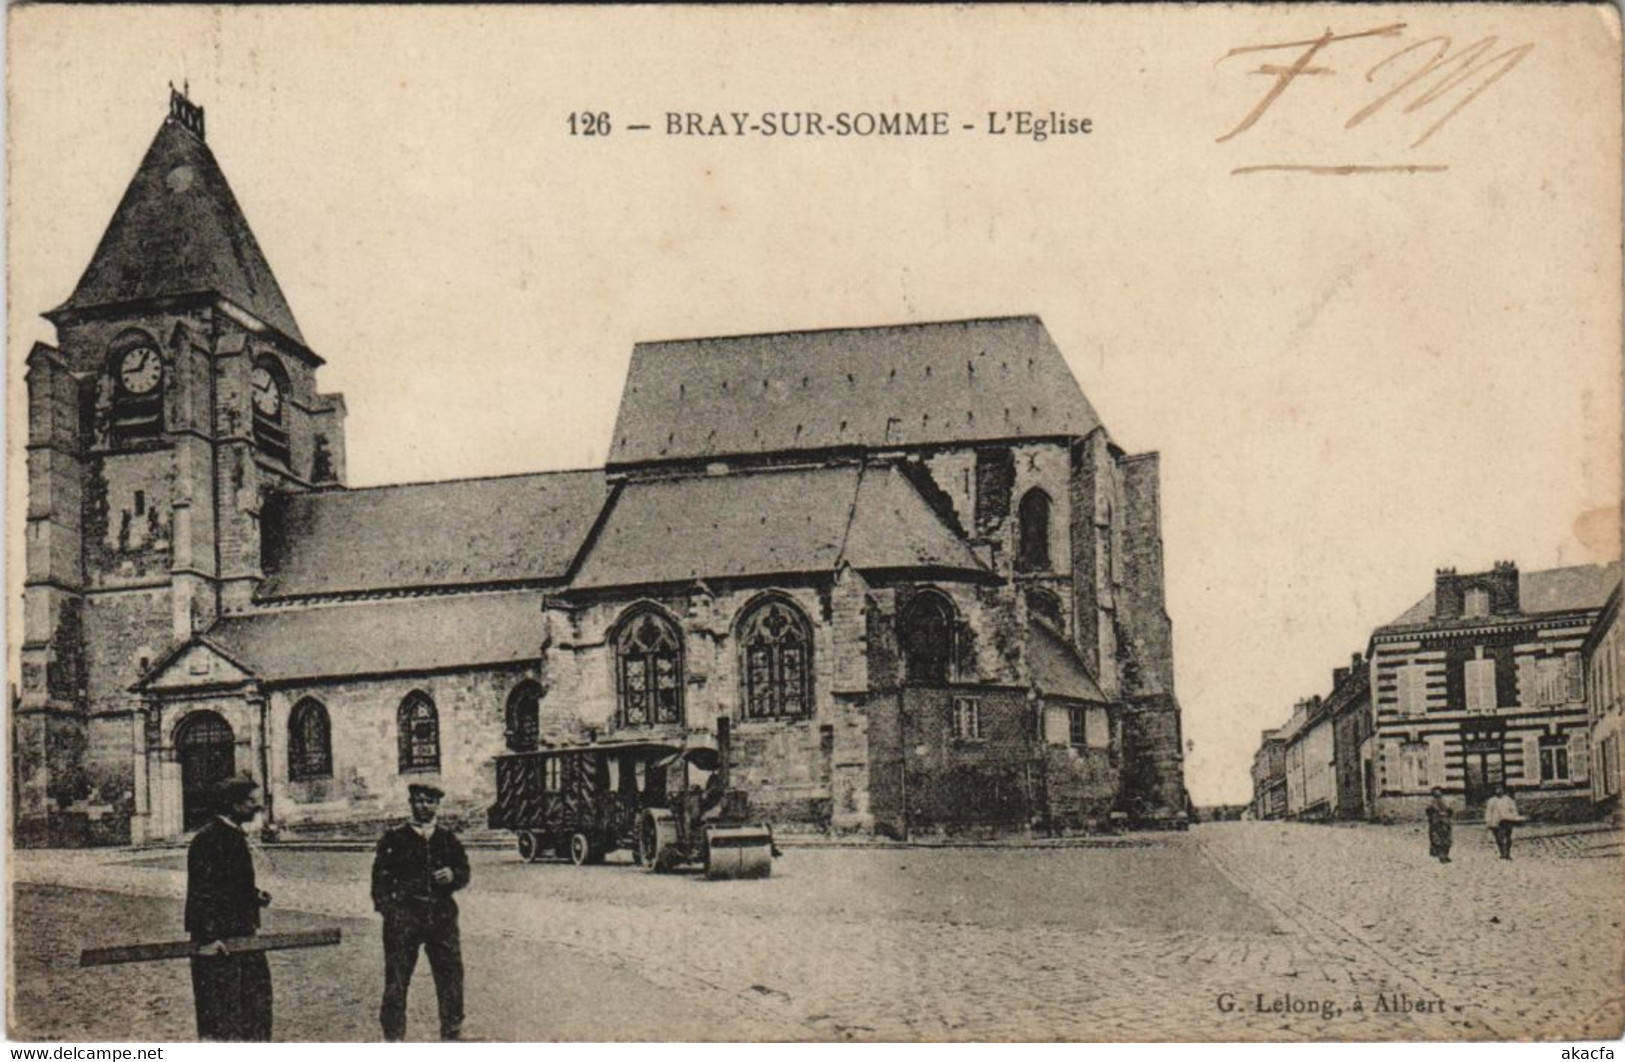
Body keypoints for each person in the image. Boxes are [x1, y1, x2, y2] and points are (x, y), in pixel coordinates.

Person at [372, 784, 470, 1041]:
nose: (424, 806)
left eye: (430, 802)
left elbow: (464, 872)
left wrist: (453, 876)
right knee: (397, 978)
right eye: (419, 801)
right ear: (411, 803)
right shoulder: (394, 839)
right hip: (404, 919)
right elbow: (379, 883)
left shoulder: (448, 839)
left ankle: (451, 1032)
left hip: (441, 917)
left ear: (438, 806)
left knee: (450, 975)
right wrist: (391, 912)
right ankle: (393, 1037)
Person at [185, 777, 273, 1041]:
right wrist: (208, 939)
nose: (257, 807)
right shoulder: (208, 839)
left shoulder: (234, 835)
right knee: (224, 1015)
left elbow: (230, 885)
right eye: (250, 802)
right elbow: (200, 892)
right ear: (232, 804)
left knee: (255, 1007)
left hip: (244, 934)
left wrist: (255, 896)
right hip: (219, 943)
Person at [1484, 784, 1521, 860]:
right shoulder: (1492, 801)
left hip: (1507, 821)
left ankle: (1507, 853)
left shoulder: (1508, 800)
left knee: (1507, 837)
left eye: (1500, 789)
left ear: (1503, 790)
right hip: (1495, 822)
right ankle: (1502, 852)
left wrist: (1514, 818)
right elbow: (1488, 812)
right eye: (1497, 789)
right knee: (1498, 838)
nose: (1498, 790)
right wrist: (1488, 821)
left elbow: (1514, 810)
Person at [1424, 787, 1453, 863]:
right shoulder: (1431, 803)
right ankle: (1441, 856)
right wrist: (1435, 816)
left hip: (1446, 823)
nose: (1438, 795)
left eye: (1439, 793)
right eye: (1436, 793)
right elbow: (1428, 812)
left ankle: (1446, 855)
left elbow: (1450, 811)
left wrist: (1447, 815)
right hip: (1436, 824)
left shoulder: (1446, 802)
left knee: (1447, 840)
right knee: (1438, 841)